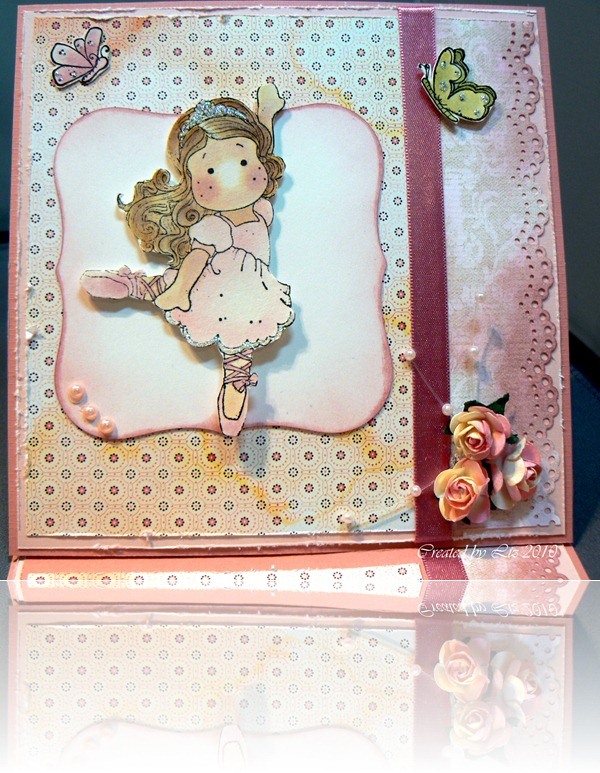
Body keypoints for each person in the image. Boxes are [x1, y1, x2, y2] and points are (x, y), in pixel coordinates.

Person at [81, 85, 294, 436]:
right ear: (191, 183)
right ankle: (131, 285)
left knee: (240, 340)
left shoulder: (261, 208)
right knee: (172, 287)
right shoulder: (213, 225)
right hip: (209, 283)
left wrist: (267, 115)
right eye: (210, 171)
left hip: (250, 291)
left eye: (244, 162)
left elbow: (262, 146)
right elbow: (196, 260)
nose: (233, 177)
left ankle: (235, 385)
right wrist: (181, 290)